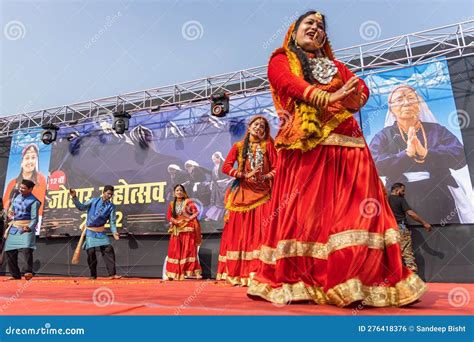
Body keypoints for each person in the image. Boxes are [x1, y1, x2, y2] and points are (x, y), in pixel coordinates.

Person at [247, 11, 427, 307]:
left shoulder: (337, 67)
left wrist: (353, 96)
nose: (315, 29)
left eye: (320, 26)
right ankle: (304, 280)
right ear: (294, 32)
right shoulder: (281, 58)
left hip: (350, 146)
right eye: (309, 24)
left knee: (358, 211)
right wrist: (326, 98)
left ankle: (356, 279)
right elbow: (286, 84)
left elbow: (360, 90)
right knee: (307, 215)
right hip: (307, 147)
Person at [369, 85, 469, 223]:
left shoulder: (437, 130)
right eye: (399, 99)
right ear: (391, 109)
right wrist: (406, 154)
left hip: (440, 193)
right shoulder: (383, 136)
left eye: (411, 98)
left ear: (418, 105)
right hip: (401, 198)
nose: (406, 103)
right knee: (410, 240)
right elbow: (372, 165)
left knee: (450, 237)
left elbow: (460, 156)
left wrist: (428, 153)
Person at [216, 116, 277, 286]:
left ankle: (258, 274)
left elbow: (278, 166)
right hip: (241, 195)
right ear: (249, 127)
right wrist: (243, 175)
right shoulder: (238, 147)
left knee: (261, 234)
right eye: (256, 124)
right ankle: (237, 274)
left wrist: (266, 176)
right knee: (239, 236)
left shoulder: (268, 146)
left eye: (262, 126)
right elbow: (226, 167)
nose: (259, 128)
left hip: (263, 194)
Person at [70, 186, 121, 280]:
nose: (109, 196)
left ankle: (112, 274)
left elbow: (112, 221)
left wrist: (114, 232)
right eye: (108, 193)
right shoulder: (93, 201)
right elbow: (81, 207)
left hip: (100, 232)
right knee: (91, 252)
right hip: (90, 231)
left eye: (111, 194)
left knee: (109, 249)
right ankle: (93, 275)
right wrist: (74, 197)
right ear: (103, 192)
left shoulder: (111, 207)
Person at [388, 183, 432, 272]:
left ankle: (393, 280)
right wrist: (424, 223)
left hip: (388, 229)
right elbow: (410, 213)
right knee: (407, 253)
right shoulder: (400, 199)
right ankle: (411, 280)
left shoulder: (385, 200)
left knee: (391, 255)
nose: (404, 193)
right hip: (401, 227)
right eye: (403, 190)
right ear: (397, 190)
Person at [4, 180, 40, 280]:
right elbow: (12, 208)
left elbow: (35, 218)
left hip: (26, 227)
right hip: (15, 227)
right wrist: (10, 212)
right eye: (20, 187)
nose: (21, 189)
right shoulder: (17, 197)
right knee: (9, 250)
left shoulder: (34, 201)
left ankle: (28, 272)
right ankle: (15, 275)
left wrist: (29, 227)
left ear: (30, 189)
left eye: (23, 188)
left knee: (27, 249)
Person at [165, 184, 202, 280]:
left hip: (187, 229)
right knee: (175, 251)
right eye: (177, 190)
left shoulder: (188, 202)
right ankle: (174, 273)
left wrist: (188, 219)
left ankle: (193, 272)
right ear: (174, 193)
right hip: (177, 229)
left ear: (184, 192)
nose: (179, 192)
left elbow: (196, 212)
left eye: (181, 190)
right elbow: (169, 216)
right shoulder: (171, 204)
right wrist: (175, 221)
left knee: (188, 251)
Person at [3, 144, 47, 218]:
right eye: (27, 158)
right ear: (21, 162)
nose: (30, 161)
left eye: (33, 158)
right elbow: (5, 206)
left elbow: (39, 207)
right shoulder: (12, 183)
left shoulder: (41, 180)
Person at [205, 152, 232, 222]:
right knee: (218, 201)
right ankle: (212, 216)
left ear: (219, 158)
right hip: (218, 188)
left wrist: (225, 180)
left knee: (226, 200)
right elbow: (214, 177)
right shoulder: (215, 168)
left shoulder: (225, 165)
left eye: (215, 159)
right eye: (213, 160)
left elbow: (229, 175)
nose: (214, 161)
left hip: (226, 186)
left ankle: (228, 216)